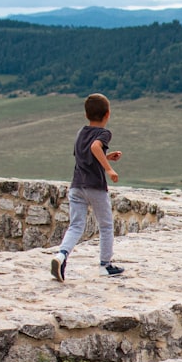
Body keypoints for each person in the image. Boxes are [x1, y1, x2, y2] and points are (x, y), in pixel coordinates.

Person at [51, 92, 125, 281]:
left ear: (86, 115)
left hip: (77, 186)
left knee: (76, 225)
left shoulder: (80, 133)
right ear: (107, 114)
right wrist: (109, 169)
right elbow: (94, 147)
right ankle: (105, 265)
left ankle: (61, 255)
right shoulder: (104, 133)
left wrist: (106, 157)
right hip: (95, 186)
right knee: (106, 225)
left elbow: (86, 156)